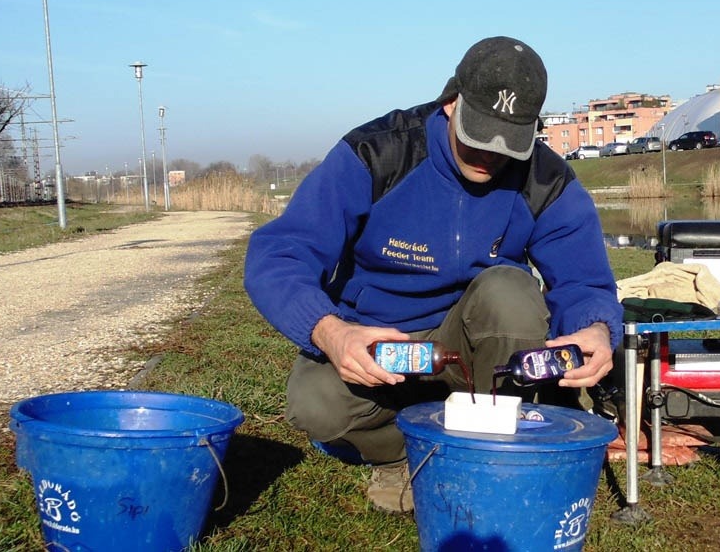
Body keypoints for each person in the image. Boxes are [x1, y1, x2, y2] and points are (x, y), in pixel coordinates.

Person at [244, 36, 624, 513]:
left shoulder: (547, 179)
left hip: (478, 346)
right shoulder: (376, 153)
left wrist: (595, 327)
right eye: (480, 134)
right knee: (313, 405)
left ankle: (492, 448)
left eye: (510, 142)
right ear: (451, 103)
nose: (491, 154)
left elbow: (585, 281)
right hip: (384, 343)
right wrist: (332, 332)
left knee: (510, 290)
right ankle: (410, 449)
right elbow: (280, 253)